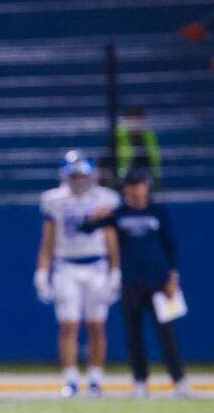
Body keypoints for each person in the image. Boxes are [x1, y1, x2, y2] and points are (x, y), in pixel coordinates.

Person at [80, 168, 189, 398]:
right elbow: (87, 229)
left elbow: (170, 246)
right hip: (131, 284)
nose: (135, 190)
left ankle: (179, 381)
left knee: (167, 335)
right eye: (130, 185)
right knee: (134, 336)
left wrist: (172, 278)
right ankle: (140, 381)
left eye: (138, 184)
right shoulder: (119, 213)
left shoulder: (157, 211)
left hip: (159, 283)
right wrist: (94, 217)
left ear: (147, 186)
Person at [35, 150, 121, 397]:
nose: (80, 179)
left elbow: (111, 237)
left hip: (98, 266)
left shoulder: (106, 199)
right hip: (66, 266)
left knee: (97, 325)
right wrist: (42, 271)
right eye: (75, 175)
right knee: (68, 326)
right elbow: (48, 240)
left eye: (83, 174)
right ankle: (71, 380)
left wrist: (116, 270)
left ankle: (95, 379)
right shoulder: (54, 200)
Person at [115, 107, 162, 187]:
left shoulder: (149, 136)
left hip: (145, 177)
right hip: (124, 178)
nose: (135, 123)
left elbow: (154, 160)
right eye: (132, 120)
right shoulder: (118, 137)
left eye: (138, 120)